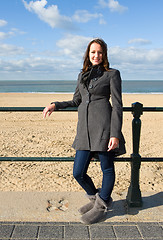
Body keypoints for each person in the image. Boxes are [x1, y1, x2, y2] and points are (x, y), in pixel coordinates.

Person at [43, 38, 126, 224]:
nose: (96, 55)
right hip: (84, 130)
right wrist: (55, 105)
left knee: (107, 168)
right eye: (93, 52)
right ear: (88, 54)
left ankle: (101, 206)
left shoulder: (112, 74)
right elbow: (76, 101)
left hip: (104, 127)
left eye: (99, 52)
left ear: (104, 54)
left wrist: (115, 133)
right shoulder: (82, 75)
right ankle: (95, 198)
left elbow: (118, 105)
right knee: (78, 172)